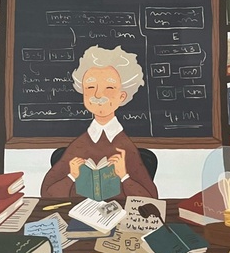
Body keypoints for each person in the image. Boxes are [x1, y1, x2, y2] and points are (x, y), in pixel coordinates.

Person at [41, 45, 158, 199]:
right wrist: (71, 176)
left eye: (109, 87)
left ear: (122, 96)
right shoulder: (78, 145)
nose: (98, 94)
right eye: (90, 87)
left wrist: (124, 176)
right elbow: (47, 194)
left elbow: (151, 200)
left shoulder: (125, 147)